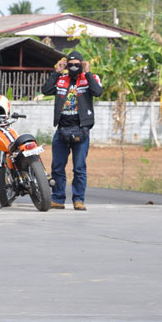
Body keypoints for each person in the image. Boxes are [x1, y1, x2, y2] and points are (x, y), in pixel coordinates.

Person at [41, 50, 103, 211]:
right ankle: (58, 199)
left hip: (81, 130)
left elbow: (98, 92)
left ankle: (78, 200)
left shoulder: (90, 78)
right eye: (71, 64)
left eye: (77, 65)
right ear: (67, 65)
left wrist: (88, 73)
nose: (74, 67)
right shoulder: (61, 79)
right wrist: (57, 72)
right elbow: (45, 90)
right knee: (57, 167)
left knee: (79, 167)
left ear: (82, 65)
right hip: (62, 129)